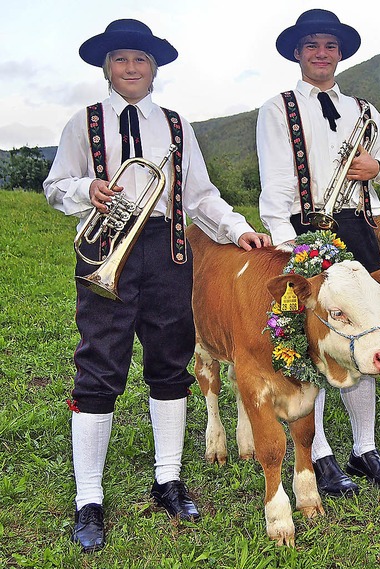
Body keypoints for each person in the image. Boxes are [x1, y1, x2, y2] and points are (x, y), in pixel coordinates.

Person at [43, 19, 270, 553]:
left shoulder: (174, 124)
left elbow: (200, 195)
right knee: (98, 368)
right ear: (107, 67)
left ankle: (168, 479)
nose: (131, 68)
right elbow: (55, 188)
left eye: (140, 60)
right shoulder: (85, 122)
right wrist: (87, 187)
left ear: (155, 69)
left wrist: (239, 230)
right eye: (121, 59)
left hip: (168, 254)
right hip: (105, 252)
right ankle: (89, 499)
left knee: (170, 365)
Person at [257, 9, 380, 497]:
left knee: (364, 331)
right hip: (307, 230)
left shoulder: (364, 109)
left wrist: (377, 165)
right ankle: (319, 451)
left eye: (330, 46)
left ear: (339, 53)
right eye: (312, 46)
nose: (321, 54)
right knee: (316, 341)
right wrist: (287, 244)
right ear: (298, 54)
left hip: (358, 227)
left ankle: (364, 449)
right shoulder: (278, 108)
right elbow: (277, 181)